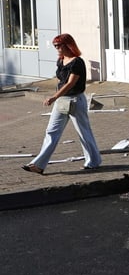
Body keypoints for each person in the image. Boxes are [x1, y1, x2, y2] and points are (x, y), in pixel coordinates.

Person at [22, 33, 102, 174]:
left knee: (83, 132)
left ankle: (93, 161)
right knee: (51, 131)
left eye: (59, 45)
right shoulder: (61, 60)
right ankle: (38, 165)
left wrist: (53, 97)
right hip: (61, 101)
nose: (57, 48)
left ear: (68, 45)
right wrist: (57, 97)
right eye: (55, 46)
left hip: (75, 100)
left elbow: (70, 83)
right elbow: (61, 81)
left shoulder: (77, 62)